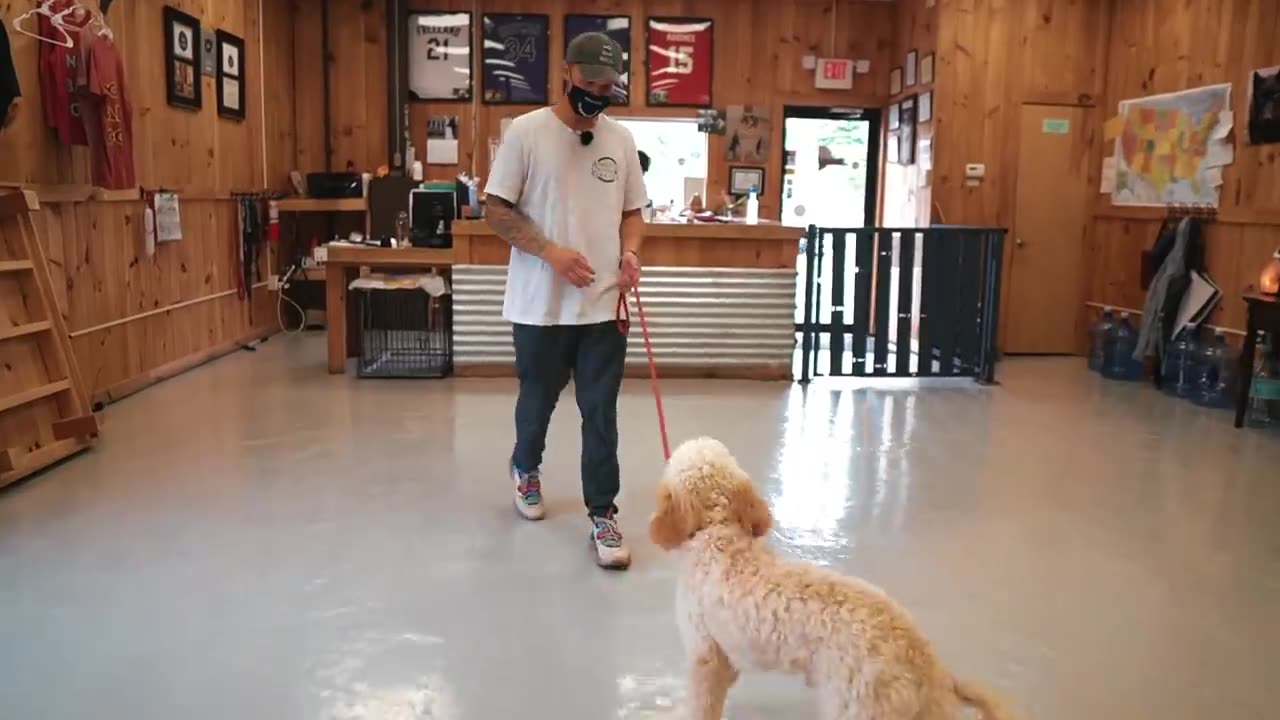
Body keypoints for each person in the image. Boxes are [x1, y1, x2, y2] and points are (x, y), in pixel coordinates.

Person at [483, 31, 646, 569]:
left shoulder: (619, 140)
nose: (599, 93)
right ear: (565, 73)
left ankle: (603, 512)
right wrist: (549, 251)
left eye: (609, 85)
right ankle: (525, 468)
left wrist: (630, 254)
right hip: (540, 306)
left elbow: (632, 212)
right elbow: (497, 210)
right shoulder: (526, 133)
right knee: (539, 402)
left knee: (601, 413)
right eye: (590, 83)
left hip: (602, 304)